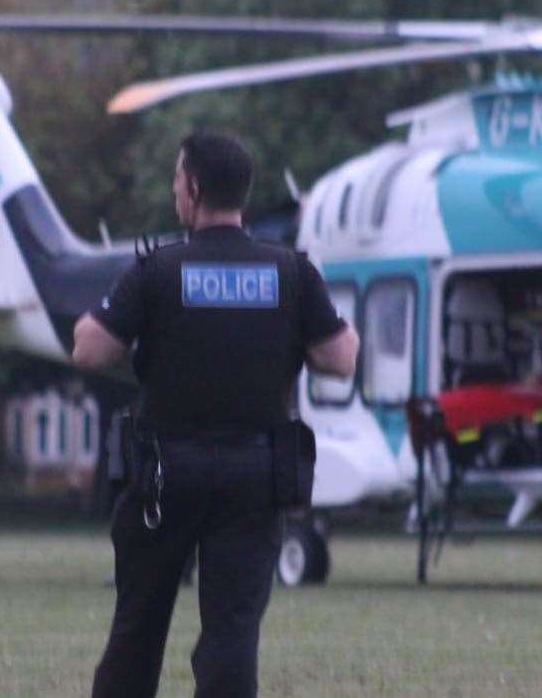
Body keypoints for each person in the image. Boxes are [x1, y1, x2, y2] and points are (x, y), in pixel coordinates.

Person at [74, 130, 359, 697]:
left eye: (178, 181)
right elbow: (341, 357)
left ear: (195, 188)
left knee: (139, 628)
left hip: (165, 475)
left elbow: (90, 348)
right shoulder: (291, 273)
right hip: (255, 476)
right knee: (232, 633)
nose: (176, 192)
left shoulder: (158, 271)